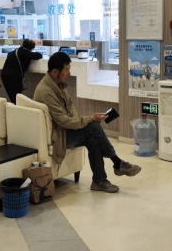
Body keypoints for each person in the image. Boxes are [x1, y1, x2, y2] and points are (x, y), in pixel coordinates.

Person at [34, 52, 141, 193]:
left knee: (93, 140)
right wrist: (89, 119)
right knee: (94, 127)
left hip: (65, 129)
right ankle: (117, 163)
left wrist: (78, 121)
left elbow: (70, 105)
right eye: (66, 69)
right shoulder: (46, 91)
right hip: (58, 135)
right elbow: (63, 120)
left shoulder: (57, 84)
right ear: (55, 71)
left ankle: (99, 181)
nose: (69, 73)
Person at [0, 39, 42, 104]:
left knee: (13, 98)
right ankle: (16, 109)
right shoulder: (26, 53)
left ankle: (13, 108)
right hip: (14, 77)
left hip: (4, 75)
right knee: (17, 98)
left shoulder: (17, 51)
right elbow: (39, 55)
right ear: (30, 48)